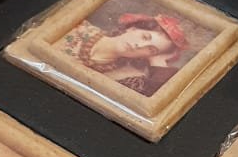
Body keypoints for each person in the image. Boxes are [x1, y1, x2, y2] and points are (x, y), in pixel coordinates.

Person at [61, 11, 189, 95]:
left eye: (151, 49)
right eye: (145, 37)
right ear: (132, 28)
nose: (139, 45)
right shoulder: (78, 28)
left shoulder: (127, 77)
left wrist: (158, 60)